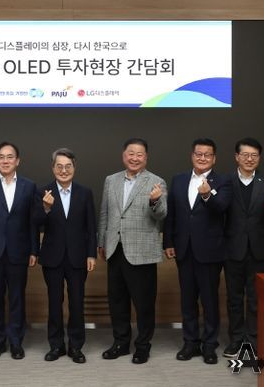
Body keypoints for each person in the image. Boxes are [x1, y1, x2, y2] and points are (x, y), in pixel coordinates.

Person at [98, 138, 167, 365]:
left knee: (144, 304)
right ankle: (121, 343)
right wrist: (102, 242)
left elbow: (161, 214)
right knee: (117, 301)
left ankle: (143, 346)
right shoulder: (111, 180)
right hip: (115, 249)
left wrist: (155, 201)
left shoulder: (156, 182)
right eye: (131, 153)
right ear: (123, 155)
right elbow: (105, 213)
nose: (134, 158)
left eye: (139, 154)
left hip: (141, 252)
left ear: (146, 158)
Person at [165, 138, 231, 365]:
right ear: (192, 155)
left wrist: (207, 195)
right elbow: (172, 213)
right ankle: (190, 343)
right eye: (198, 154)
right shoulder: (179, 179)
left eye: (207, 155)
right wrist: (168, 242)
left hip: (210, 251)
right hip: (184, 249)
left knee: (210, 300)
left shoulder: (223, 181)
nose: (202, 158)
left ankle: (209, 345)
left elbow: (222, 208)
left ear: (214, 158)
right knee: (187, 299)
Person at [0, 141, 38, 360]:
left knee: (17, 299)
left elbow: (32, 221)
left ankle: (16, 342)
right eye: (1, 157)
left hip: (19, 251)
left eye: (10, 157)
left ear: (17, 161)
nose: (5, 161)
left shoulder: (29, 186)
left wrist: (34, 250)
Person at [34, 148, 97, 364]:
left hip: (78, 257)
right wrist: (45, 208)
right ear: (53, 168)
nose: (63, 170)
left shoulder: (85, 192)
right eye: (59, 166)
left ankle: (76, 346)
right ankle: (56, 345)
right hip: (52, 257)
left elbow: (91, 226)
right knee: (54, 303)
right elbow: (34, 222)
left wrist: (91, 254)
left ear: (74, 168)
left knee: (77, 303)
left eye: (68, 166)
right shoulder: (43, 192)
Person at [222, 138, 264, 358]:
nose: (249, 159)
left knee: (256, 298)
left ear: (259, 158)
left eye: (254, 155)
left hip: (259, 248)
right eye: (245, 155)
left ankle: (254, 340)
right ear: (237, 157)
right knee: (234, 298)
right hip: (232, 247)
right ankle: (236, 339)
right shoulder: (226, 180)